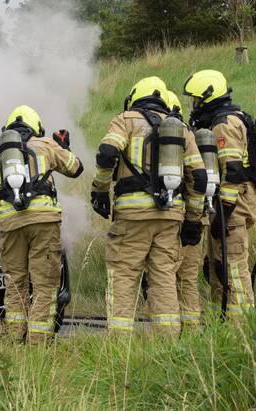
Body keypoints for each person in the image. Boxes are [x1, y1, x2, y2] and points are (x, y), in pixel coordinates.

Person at [90, 77, 207, 335]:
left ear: (134, 97)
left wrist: (99, 191)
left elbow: (107, 153)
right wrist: (193, 220)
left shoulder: (125, 119)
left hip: (132, 217)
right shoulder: (181, 129)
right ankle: (168, 345)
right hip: (170, 216)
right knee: (164, 277)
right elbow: (199, 177)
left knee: (123, 275)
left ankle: (120, 347)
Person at [0, 105, 83, 343]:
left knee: (15, 284)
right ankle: (37, 344)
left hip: (10, 224)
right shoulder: (46, 146)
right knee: (44, 284)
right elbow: (75, 168)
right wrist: (63, 147)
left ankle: (15, 339)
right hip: (43, 222)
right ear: (36, 128)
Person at [183, 69, 256, 317]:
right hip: (229, 205)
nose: (193, 106)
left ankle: (242, 330)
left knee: (233, 268)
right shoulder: (225, 119)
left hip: (233, 206)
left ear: (208, 97)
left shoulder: (223, 124)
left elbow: (234, 171)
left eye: (196, 100)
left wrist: (224, 213)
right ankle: (222, 326)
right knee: (218, 267)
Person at [165, 90, 208, 329]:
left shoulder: (167, 139)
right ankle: (191, 333)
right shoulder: (189, 136)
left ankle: (170, 333)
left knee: (165, 276)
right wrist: (195, 219)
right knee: (188, 280)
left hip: (172, 218)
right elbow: (200, 180)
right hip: (195, 219)